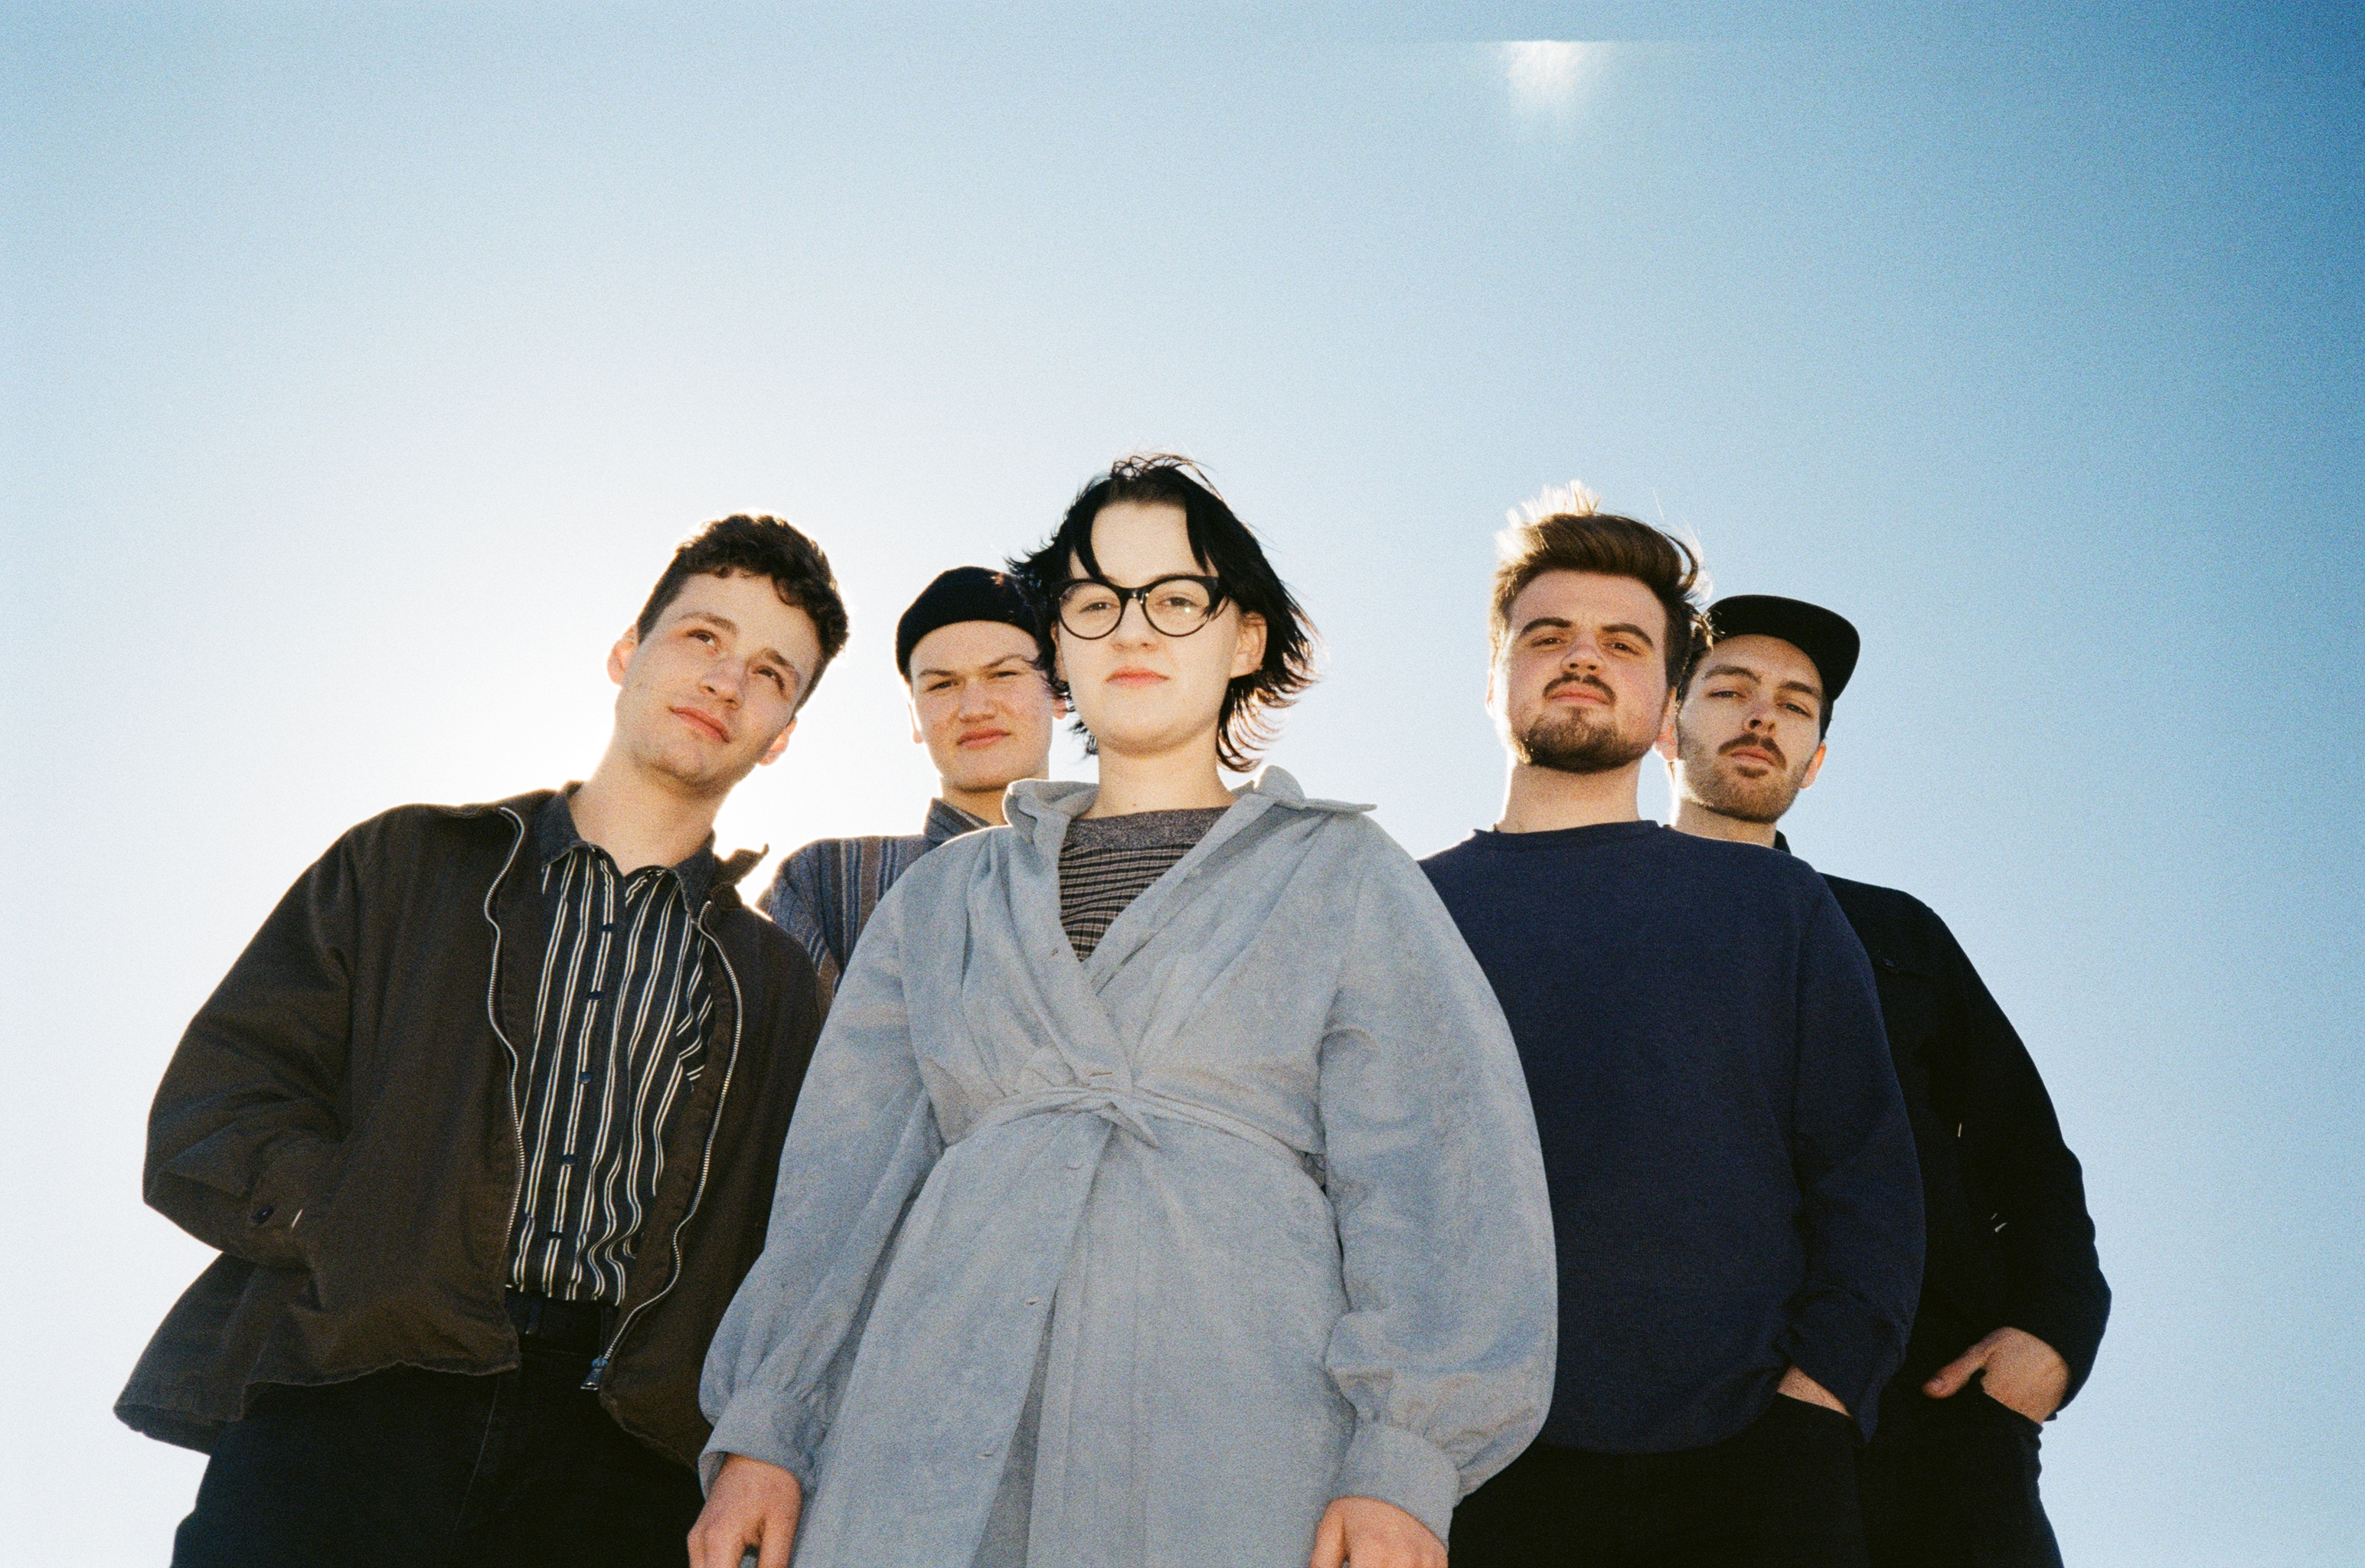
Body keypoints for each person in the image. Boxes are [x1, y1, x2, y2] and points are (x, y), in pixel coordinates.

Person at [691, 455, 1555, 1568]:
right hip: (918, 1447)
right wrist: (767, 1429)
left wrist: (1404, 1460)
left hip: (1236, 1451)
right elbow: (840, 1190)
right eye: (1095, 602)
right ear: (1060, 644)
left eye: (1175, 598)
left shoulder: (1346, 875)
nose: (1133, 629)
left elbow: (1436, 1177)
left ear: (1244, 639)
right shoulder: (942, 900)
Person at [118, 514, 848, 1568]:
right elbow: (218, 1104)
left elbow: (800, 1243)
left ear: (781, 733)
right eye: (703, 636)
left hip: (617, 1465)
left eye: (771, 673)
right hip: (354, 1391)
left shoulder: (777, 985)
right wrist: (359, 1222)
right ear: (626, 651)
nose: (726, 681)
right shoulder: (407, 861)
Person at [1420, 486, 1924, 1568]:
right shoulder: (1395, 911)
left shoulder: (1774, 903)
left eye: (1624, 641)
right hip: (1467, 1476)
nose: (1581, 655)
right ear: (1492, 678)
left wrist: (1819, 1401)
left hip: (1753, 1473)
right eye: (1546, 634)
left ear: (1665, 707)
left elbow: (1867, 1172)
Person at [1663, 593, 2109, 1568]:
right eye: (1729, 689)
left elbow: (2025, 1153)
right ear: (1666, 723)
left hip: (1930, 1418)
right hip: (1678, 1424)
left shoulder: (1891, 928)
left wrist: (2051, 1334)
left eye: (1795, 704)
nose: (1762, 715)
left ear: (1814, 758)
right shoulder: (1591, 921)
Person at [764, 566, 1060, 1011]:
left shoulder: (1127, 868)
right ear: (914, 717)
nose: (974, 708)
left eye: (1003, 675)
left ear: (1058, 691)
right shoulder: (826, 884)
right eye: (943, 684)